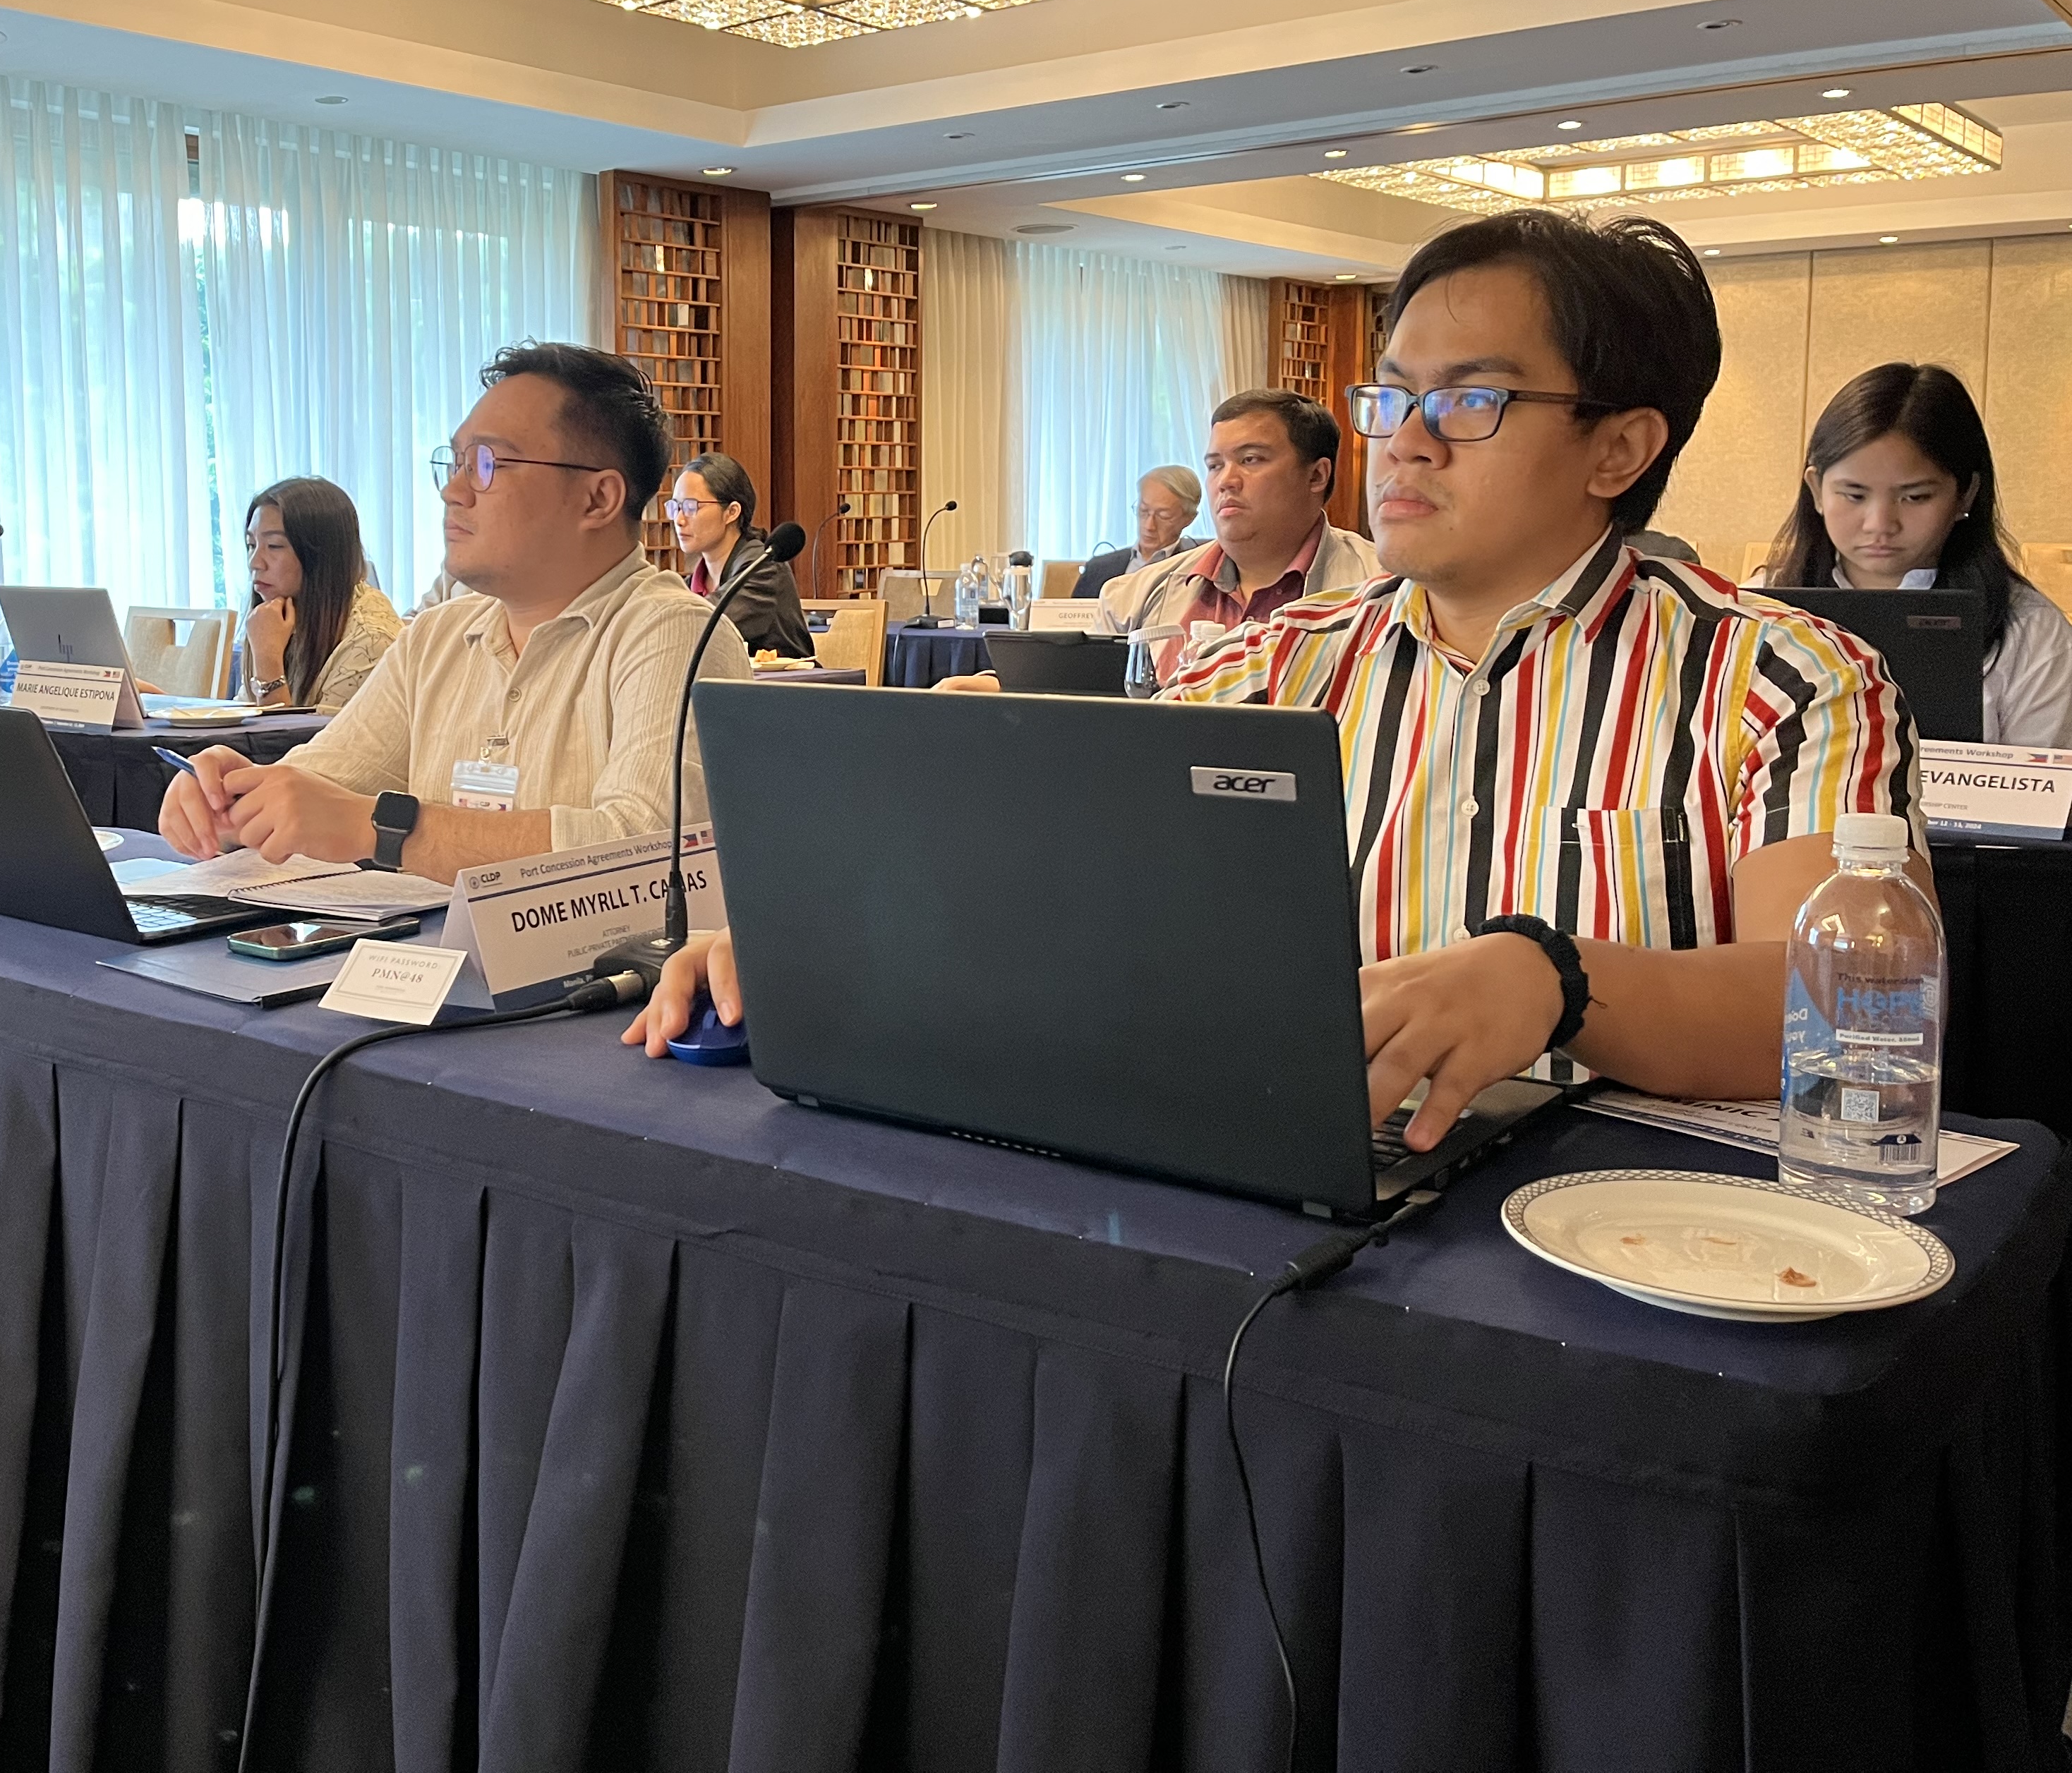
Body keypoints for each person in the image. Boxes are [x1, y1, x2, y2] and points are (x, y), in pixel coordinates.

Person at [634, 212, 1922, 1162]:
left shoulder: (1782, 678)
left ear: (1621, 448)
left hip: (1620, 1226)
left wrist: (1555, 979)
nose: (1405, 442)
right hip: (1303, 1185)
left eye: (1470, 399)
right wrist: (836, 947)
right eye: (1391, 398)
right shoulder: (1274, 662)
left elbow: (1842, 1011)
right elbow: (1063, 885)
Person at [161, 344, 751, 883]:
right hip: (424, 959)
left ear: (598, 499)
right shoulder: (438, 637)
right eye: (457, 462)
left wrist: (380, 828)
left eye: (488, 464)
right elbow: (320, 788)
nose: (454, 491)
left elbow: (647, 851)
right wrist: (232, 800)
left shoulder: (674, 634)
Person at [1755, 362, 2072, 748]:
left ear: (1966, 495)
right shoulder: (1755, 609)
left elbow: (2042, 780)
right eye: (1854, 495)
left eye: (1915, 497)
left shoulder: (2032, 632)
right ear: (1817, 490)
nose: (1880, 523)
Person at [1098, 394, 1376, 653]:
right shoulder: (1131, 600)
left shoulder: (1385, 591)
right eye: (1215, 466)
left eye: (1250, 460)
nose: (1226, 481)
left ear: (1316, 476)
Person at [236, 476, 403, 714]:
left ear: (321, 555)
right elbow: (242, 720)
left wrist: (268, 662)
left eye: (274, 546)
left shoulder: (370, 641)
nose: (255, 563)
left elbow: (307, 738)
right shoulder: (275, 618)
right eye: (252, 545)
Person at [668, 452, 810, 659]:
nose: (679, 520)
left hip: (789, 681)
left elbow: (702, 623)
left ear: (732, 512)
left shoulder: (764, 568)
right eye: (675, 507)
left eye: (691, 507)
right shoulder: (693, 583)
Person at [1072, 466, 1204, 598]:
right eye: (1143, 511)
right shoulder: (1098, 568)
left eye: (1163, 516)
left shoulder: (1197, 574)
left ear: (1189, 519)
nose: (1149, 526)